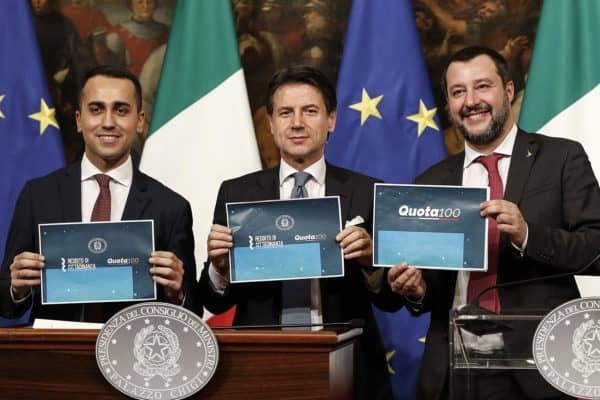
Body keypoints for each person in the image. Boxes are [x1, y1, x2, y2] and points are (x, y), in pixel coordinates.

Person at [388, 46, 600, 400]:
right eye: (458, 92)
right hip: (454, 368)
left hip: (540, 364)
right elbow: (432, 284)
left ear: (509, 91)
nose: (471, 101)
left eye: (483, 86)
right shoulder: (431, 180)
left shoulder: (562, 157)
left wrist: (528, 234)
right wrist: (417, 290)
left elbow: (597, 249)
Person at [198, 66, 393, 399]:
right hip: (260, 363)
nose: (298, 123)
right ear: (271, 124)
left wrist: (371, 261)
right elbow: (214, 303)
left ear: (331, 121)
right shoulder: (238, 193)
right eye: (285, 113)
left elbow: (391, 301)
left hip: (346, 362)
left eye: (310, 111)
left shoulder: (368, 191)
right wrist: (219, 269)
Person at [0, 65, 199, 322]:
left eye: (121, 110)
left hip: (135, 356)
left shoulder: (171, 207)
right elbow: (5, 303)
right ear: (78, 120)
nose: (108, 122)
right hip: (55, 355)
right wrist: (17, 288)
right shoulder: (37, 195)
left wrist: (178, 292)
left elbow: (193, 311)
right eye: (96, 110)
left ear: (139, 121)